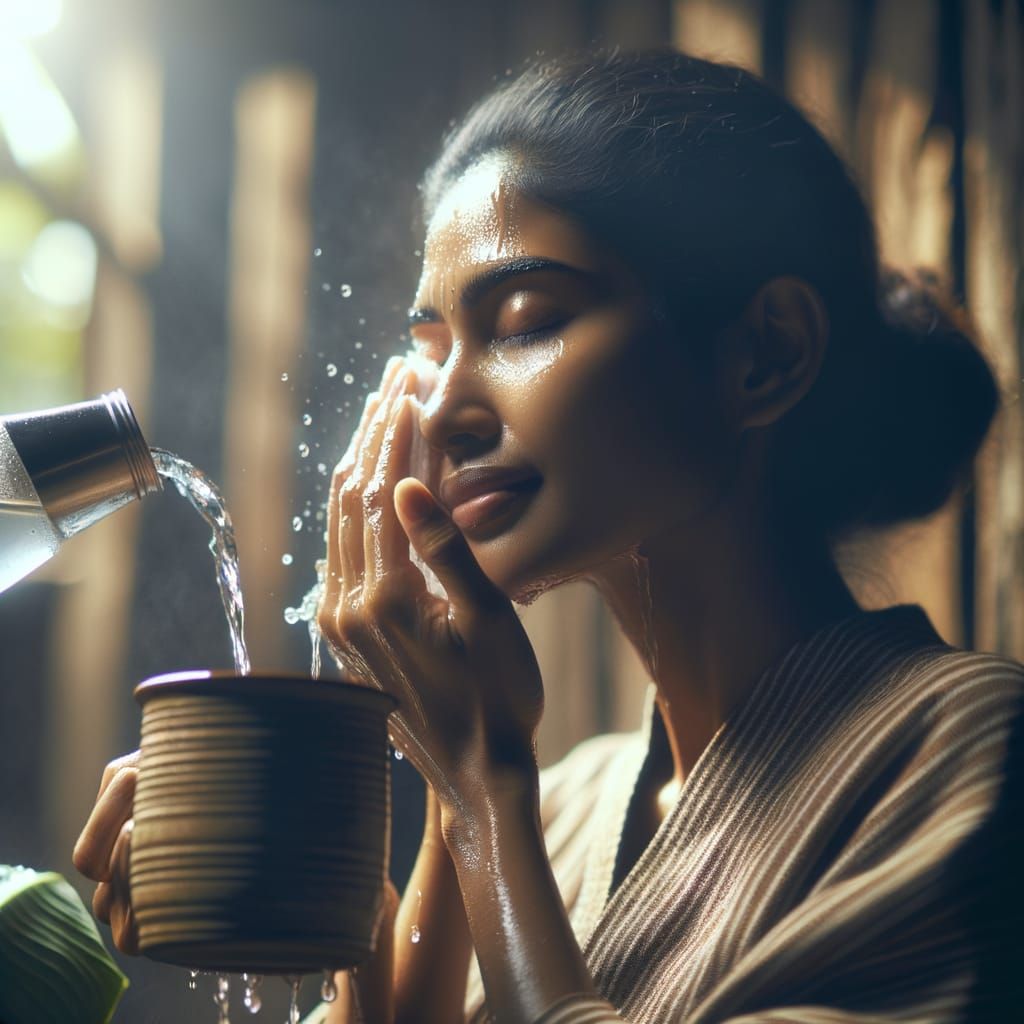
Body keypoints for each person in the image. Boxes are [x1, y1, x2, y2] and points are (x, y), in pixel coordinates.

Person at [73, 49, 1024, 1023]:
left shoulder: (970, 755)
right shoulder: (561, 805)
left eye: (524, 322)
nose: (442, 412)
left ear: (765, 352)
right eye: (429, 350)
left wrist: (479, 792)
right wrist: (352, 919)